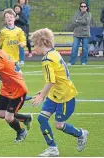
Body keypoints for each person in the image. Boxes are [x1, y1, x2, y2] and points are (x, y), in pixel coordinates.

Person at [30, 28, 89, 157]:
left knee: (59, 125)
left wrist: (41, 95)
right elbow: (57, 77)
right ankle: (52, 148)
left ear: (42, 43)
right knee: (42, 119)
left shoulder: (47, 59)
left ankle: (81, 133)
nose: (34, 48)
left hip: (65, 96)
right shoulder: (54, 53)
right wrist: (44, 91)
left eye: (35, 44)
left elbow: (51, 80)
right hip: (55, 94)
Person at [0, 8, 31, 101]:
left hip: (14, 58)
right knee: (19, 75)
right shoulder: (3, 32)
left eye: (11, 16)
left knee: (3, 76)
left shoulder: (19, 31)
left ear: (14, 18)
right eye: (7, 17)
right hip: (6, 58)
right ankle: (22, 94)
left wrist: (22, 44)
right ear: (5, 19)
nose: (9, 18)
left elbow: (23, 40)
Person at [68, 1, 92, 65]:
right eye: (82, 6)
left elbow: (86, 22)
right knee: (74, 48)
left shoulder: (89, 14)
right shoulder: (77, 13)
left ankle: (84, 62)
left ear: (87, 7)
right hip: (77, 33)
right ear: (80, 7)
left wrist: (78, 20)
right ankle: (71, 62)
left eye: (84, 6)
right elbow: (73, 21)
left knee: (85, 49)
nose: (83, 7)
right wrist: (80, 21)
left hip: (85, 34)